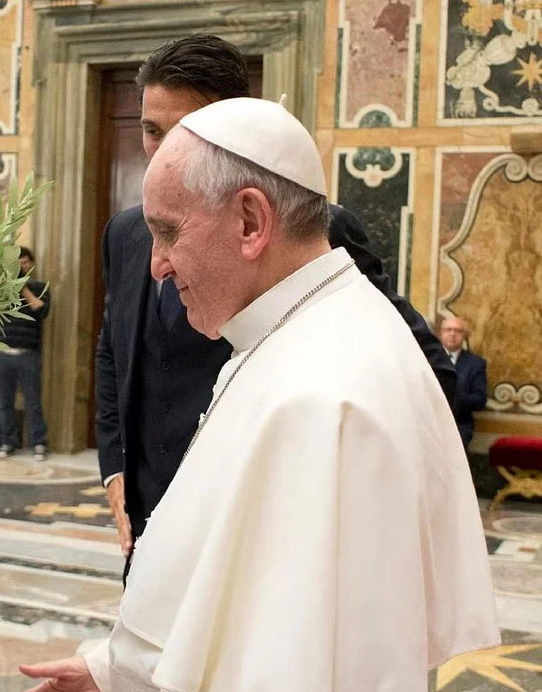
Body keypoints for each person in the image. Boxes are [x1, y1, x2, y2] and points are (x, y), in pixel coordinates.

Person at [0, 96, 498, 692]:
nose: (155, 264)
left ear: (250, 222)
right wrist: (114, 675)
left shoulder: (324, 396)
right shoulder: (297, 332)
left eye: (169, 231)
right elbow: (234, 598)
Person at [94, 35, 457, 575]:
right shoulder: (125, 235)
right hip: (150, 541)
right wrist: (115, 469)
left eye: (184, 131)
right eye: (151, 131)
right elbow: (113, 352)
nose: (163, 150)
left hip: (259, 548)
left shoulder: (312, 231)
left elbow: (427, 379)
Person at [0, 247, 50, 459]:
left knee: (33, 400)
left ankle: (39, 442)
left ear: (31, 264)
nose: (22, 267)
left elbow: (41, 310)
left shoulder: (40, 287)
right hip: (2, 354)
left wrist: (23, 287)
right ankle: (7, 442)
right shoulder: (1, 289)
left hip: (29, 354)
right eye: (18, 264)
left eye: (25, 263)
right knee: (4, 402)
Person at [441, 316, 488, 447]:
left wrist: (455, 397)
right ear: (441, 333)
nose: (452, 334)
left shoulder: (476, 364)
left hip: (459, 424)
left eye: (458, 331)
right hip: (429, 422)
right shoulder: (427, 359)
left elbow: (480, 400)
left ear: (464, 335)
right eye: (448, 329)